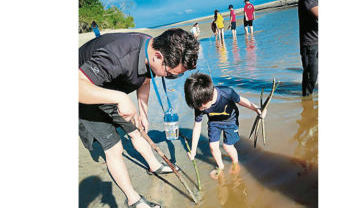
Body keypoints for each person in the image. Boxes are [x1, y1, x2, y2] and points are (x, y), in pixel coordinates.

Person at [79, 28, 199, 208]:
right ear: (157, 56)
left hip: (111, 87)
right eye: (171, 73)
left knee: (138, 131)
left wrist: (143, 113)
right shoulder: (117, 55)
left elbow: (146, 78)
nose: (171, 77)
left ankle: (154, 165)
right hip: (87, 91)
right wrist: (120, 98)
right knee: (114, 148)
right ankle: (133, 200)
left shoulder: (151, 47)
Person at [184, 72, 267, 179]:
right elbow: (197, 127)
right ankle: (220, 166)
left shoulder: (227, 92)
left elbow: (242, 101)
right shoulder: (198, 103)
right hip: (214, 122)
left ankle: (235, 163)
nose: (201, 110)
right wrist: (193, 151)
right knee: (213, 147)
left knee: (227, 146)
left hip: (230, 121)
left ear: (210, 96)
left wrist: (257, 109)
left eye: (204, 108)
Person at [298, 0, 318, 96]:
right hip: (310, 43)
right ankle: (306, 104)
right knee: (311, 76)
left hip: (317, 40)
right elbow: (317, 13)